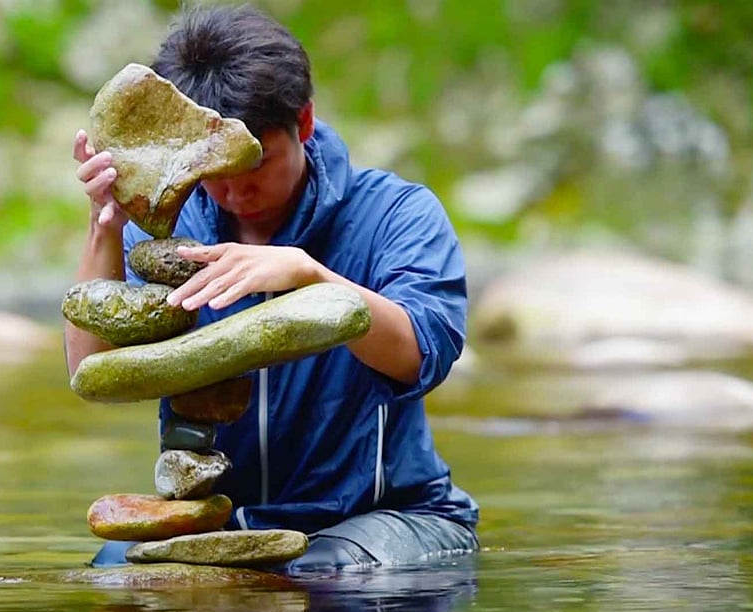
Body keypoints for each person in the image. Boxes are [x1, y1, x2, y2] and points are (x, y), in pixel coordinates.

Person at [66, 5, 478, 572]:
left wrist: (313, 277)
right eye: (214, 175)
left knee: (313, 576)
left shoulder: (395, 214)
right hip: (231, 522)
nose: (233, 193)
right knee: (115, 574)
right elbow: (91, 372)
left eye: (254, 168)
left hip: (392, 517)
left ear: (302, 124)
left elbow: (422, 357)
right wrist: (105, 224)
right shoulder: (171, 236)